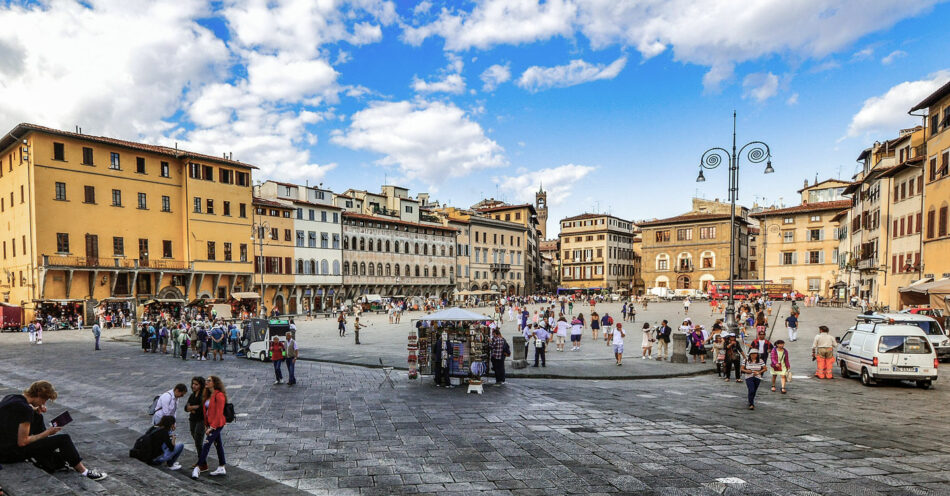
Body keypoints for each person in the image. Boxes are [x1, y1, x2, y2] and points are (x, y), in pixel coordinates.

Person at [0, 380, 107, 480]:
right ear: (39, 395)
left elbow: (19, 411)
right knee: (64, 439)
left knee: (38, 417)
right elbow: (22, 442)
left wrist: (35, 410)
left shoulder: (12, 397)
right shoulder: (26, 410)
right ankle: (84, 471)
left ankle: (46, 449)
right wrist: (48, 433)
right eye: (44, 400)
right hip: (10, 454)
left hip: (2, 446)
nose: (43, 404)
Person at [191, 376, 227, 479]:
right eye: (206, 380)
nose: (206, 382)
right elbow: (206, 412)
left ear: (214, 383)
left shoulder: (219, 395)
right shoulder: (207, 395)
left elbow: (219, 413)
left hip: (217, 424)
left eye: (209, 380)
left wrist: (212, 427)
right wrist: (207, 425)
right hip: (210, 424)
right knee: (218, 444)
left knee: (206, 444)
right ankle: (221, 466)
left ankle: (198, 467)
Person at [184, 377, 205, 461]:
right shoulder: (192, 395)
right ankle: (202, 458)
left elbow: (201, 408)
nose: (194, 386)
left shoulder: (203, 395)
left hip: (201, 420)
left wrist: (191, 408)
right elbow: (186, 408)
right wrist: (194, 408)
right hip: (192, 419)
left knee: (198, 439)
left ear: (201, 385)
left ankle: (202, 460)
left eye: (196, 384)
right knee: (195, 438)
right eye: (193, 384)